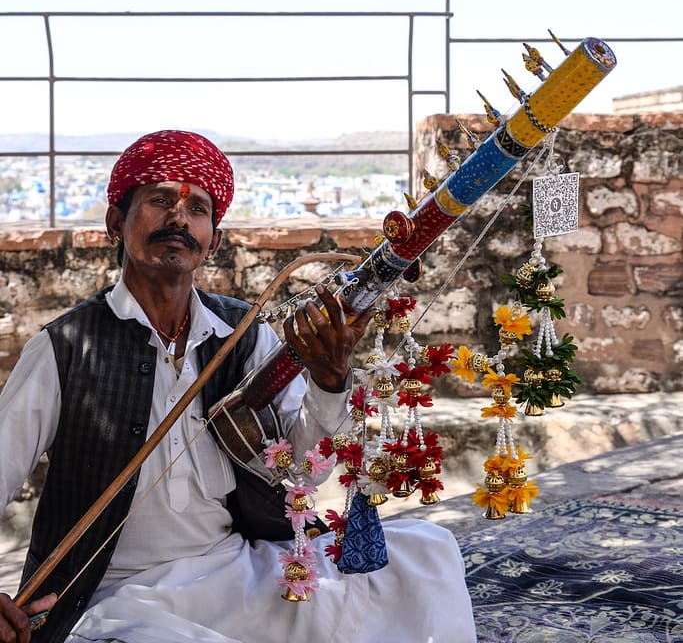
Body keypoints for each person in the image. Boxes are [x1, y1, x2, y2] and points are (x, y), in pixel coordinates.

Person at [0, 130, 477, 643]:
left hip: (234, 571)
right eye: (160, 201)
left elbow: (304, 470)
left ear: (214, 242)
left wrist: (329, 380)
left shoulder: (243, 334)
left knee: (425, 554)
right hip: (115, 596)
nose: (179, 219)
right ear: (116, 223)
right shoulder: (65, 347)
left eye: (197, 209)